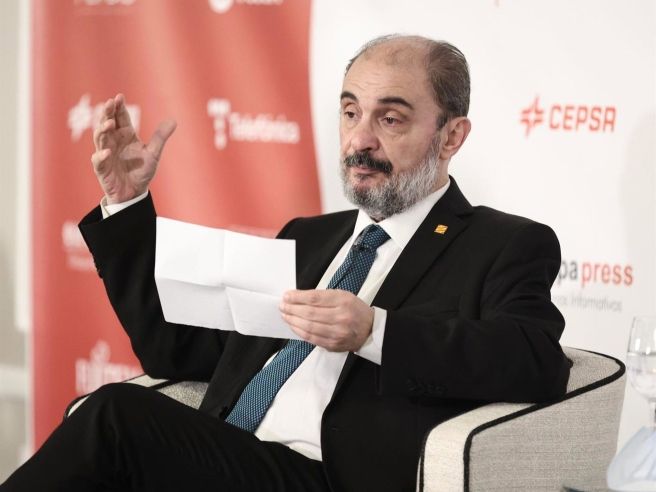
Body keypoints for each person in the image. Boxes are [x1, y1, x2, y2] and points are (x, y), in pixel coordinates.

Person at [1, 34, 571, 492]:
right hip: (233, 457)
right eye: (350, 112)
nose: (360, 140)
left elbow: (537, 361)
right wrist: (127, 205)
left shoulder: (503, 244)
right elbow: (177, 352)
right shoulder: (309, 237)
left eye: (390, 119)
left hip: (332, 477)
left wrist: (376, 333)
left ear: (451, 137)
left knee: (115, 415)